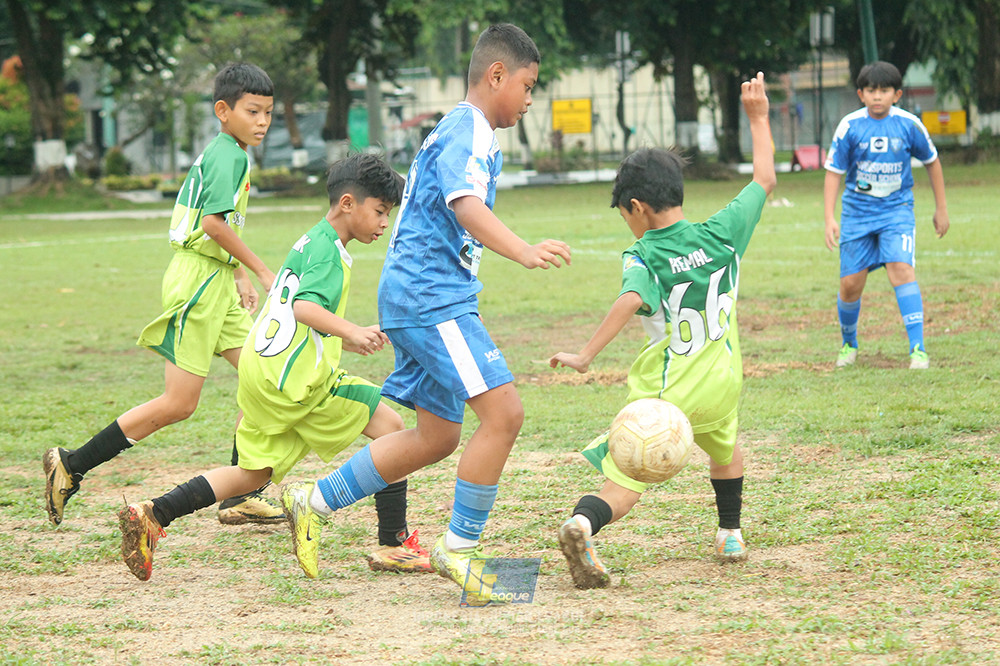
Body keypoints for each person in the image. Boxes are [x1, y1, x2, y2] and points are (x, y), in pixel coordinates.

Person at [277, 24, 571, 596]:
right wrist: (523, 250)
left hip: (420, 294)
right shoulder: (469, 130)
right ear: (496, 75)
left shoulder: (466, 131)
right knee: (505, 415)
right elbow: (464, 205)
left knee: (437, 436)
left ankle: (311, 500)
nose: (530, 100)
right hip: (429, 297)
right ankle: (460, 549)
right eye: (528, 86)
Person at [117, 153, 431, 581]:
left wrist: (361, 329)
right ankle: (393, 544)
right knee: (394, 430)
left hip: (262, 371)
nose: (383, 223)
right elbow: (304, 308)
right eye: (379, 211)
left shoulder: (312, 240)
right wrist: (352, 333)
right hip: (297, 381)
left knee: (253, 474)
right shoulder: (329, 253)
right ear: (346, 203)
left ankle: (156, 512)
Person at [548, 72, 776, 589]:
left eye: (624, 214)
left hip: (669, 393)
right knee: (726, 446)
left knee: (628, 474)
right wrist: (758, 118)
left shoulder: (643, 253)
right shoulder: (724, 232)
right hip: (723, 381)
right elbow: (764, 180)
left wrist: (585, 355)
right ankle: (730, 533)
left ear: (638, 208)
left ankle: (584, 523)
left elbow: (632, 298)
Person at [43, 63, 284, 528]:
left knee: (264, 373)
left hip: (213, 279)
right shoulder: (228, 156)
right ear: (222, 110)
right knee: (180, 403)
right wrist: (259, 267)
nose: (262, 122)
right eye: (253, 111)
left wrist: (234, 272)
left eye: (269, 113)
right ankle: (71, 465)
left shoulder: (229, 152)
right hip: (196, 283)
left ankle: (242, 492)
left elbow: (215, 225)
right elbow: (212, 223)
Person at [824, 60, 949, 370]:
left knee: (901, 269)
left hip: (897, 211)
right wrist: (829, 217)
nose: (877, 96)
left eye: (884, 90)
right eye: (871, 90)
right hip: (857, 213)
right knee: (851, 284)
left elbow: (932, 162)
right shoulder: (850, 126)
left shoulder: (909, 124)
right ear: (860, 94)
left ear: (897, 94)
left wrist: (941, 208)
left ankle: (918, 349)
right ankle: (849, 343)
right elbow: (833, 173)